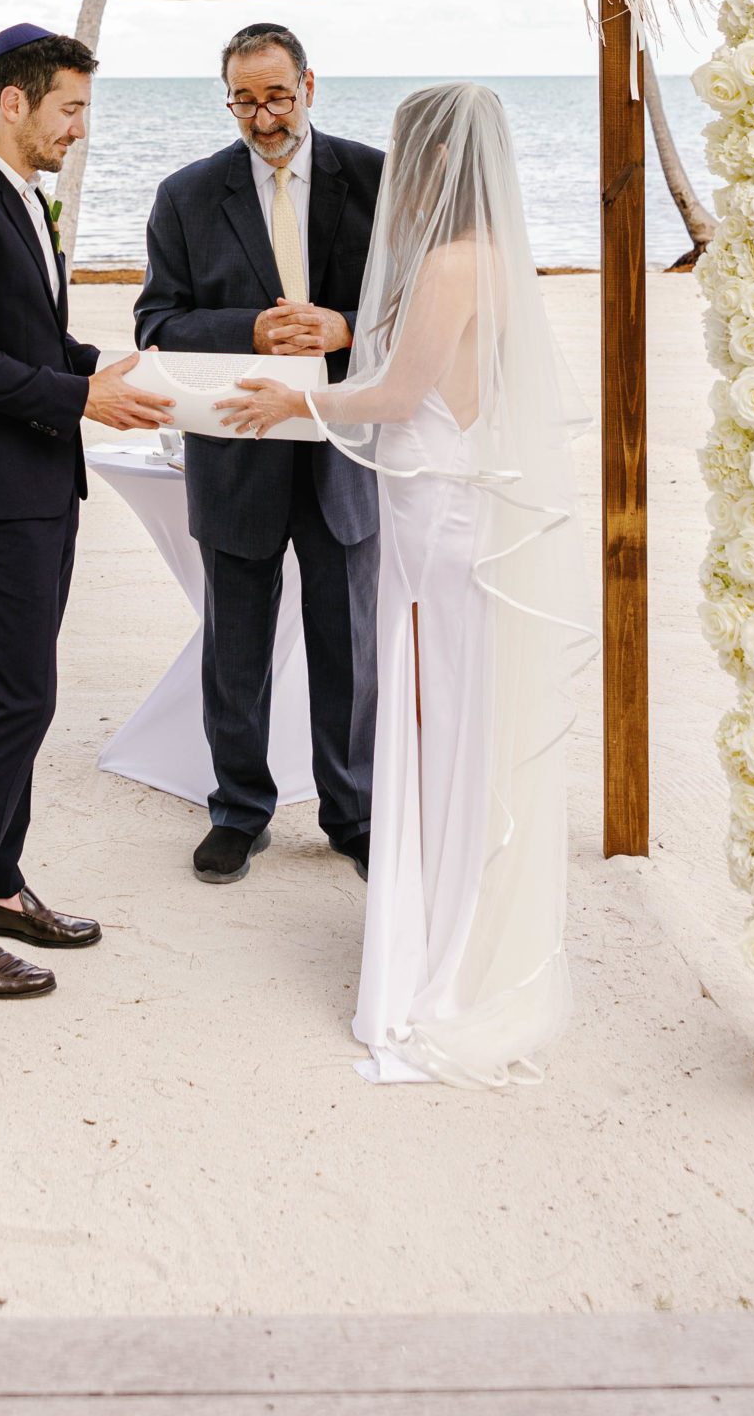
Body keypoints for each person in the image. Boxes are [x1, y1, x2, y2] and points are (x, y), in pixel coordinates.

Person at [218, 83, 595, 1087]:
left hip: (436, 517)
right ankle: (462, 929)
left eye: (406, 154)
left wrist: (290, 397)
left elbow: (395, 392)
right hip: (469, 502)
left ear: (432, 161)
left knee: (433, 725)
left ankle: (436, 952)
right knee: (464, 723)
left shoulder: (445, 263)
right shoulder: (499, 260)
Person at [0, 22, 172, 999]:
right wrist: (80, 400)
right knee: (18, 701)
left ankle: (1, 885)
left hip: (39, 483)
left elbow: (30, 335)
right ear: (12, 102)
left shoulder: (19, 197)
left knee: (19, 695)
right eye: (69, 108)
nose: (79, 129)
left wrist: (98, 365)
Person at [135, 23, 384, 885]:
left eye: (277, 96)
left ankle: (352, 814)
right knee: (233, 646)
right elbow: (155, 324)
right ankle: (240, 812)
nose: (263, 117)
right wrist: (250, 328)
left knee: (348, 646)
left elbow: (420, 306)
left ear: (310, 85)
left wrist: (345, 326)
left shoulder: (378, 178)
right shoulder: (185, 194)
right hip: (235, 455)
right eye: (244, 100)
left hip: (344, 450)